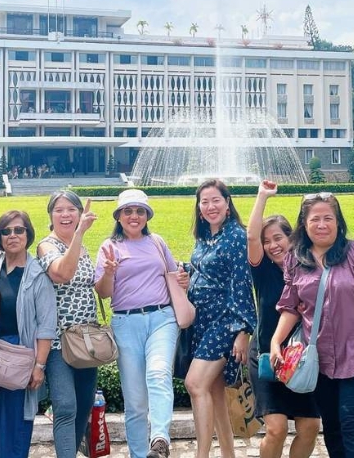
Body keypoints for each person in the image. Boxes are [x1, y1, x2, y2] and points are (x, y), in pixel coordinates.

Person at [270, 192, 354, 458]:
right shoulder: (295, 258)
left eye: (328, 218)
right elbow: (291, 305)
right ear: (304, 224)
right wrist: (275, 341)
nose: (322, 224)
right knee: (332, 427)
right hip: (321, 359)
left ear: (338, 222)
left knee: (352, 424)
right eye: (315, 219)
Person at [94, 190, 178, 458]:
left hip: (161, 318)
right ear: (119, 216)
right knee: (135, 401)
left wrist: (183, 281)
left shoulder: (157, 242)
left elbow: (173, 275)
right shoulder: (109, 247)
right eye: (128, 211)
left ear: (147, 216)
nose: (134, 216)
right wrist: (109, 272)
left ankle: (160, 440)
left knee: (158, 373)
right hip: (126, 322)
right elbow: (104, 293)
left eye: (140, 211)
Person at [246, 181, 320, 458]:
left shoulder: (309, 267)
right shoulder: (263, 270)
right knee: (276, 428)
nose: (272, 245)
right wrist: (262, 196)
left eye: (278, 238)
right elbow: (252, 237)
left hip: (302, 357)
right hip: (267, 356)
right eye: (268, 241)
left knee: (310, 426)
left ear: (292, 238)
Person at [0, 211, 57, 458]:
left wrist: (39, 366)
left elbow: (46, 325)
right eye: (6, 231)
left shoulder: (37, 276)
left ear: (28, 234)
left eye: (18, 230)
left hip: (18, 359)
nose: (13, 236)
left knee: (14, 431)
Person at [185, 179, 256, 458]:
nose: (210, 206)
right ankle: (228, 454)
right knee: (214, 394)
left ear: (228, 204)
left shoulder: (236, 236)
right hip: (201, 323)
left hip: (224, 322)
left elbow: (242, 283)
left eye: (216, 200)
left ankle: (202, 455)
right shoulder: (204, 238)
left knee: (194, 383)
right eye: (205, 202)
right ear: (199, 208)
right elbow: (204, 271)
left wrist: (243, 331)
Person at [37, 190, 99, 458]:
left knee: (84, 407)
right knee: (65, 406)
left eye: (71, 209)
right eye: (59, 210)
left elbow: (97, 287)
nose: (65, 215)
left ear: (79, 213)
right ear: (51, 216)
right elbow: (63, 273)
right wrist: (79, 234)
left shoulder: (82, 247)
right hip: (58, 340)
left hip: (86, 340)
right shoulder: (47, 245)